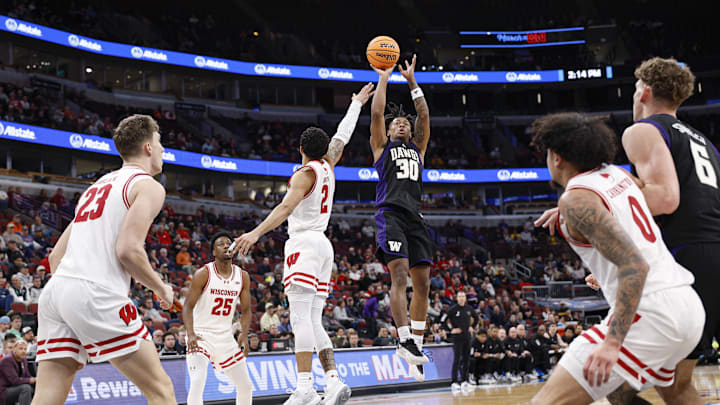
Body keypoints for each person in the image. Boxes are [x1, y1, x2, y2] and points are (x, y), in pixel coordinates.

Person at [529, 113, 704, 405]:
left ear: (557, 158)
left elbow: (634, 264)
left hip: (651, 314)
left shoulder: (575, 200)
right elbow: (627, 219)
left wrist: (612, 343)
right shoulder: (617, 174)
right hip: (687, 305)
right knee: (619, 396)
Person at [233, 83, 373, 405]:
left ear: (300, 148)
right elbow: (342, 137)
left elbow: (284, 209)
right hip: (324, 245)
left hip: (304, 244)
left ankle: (305, 386)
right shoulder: (329, 164)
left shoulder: (304, 174)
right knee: (312, 320)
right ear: (323, 150)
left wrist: (255, 233)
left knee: (299, 320)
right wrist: (355, 105)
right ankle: (334, 381)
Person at [32, 114, 176, 405]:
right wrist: (161, 288)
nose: (162, 150)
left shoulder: (95, 187)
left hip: (56, 293)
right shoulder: (148, 185)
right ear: (148, 147)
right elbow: (128, 250)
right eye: (160, 142)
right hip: (95, 291)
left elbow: (55, 255)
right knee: (161, 390)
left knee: (47, 396)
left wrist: (73, 296)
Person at [370, 54, 433, 382]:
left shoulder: (418, 149)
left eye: (404, 124)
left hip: (415, 217)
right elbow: (378, 112)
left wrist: (411, 81)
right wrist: (384, 77)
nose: (402, 124)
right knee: (399, 278)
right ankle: (404, 338)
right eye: (398, 123)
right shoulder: (381, 148)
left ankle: (417, 347)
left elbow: (423, 113)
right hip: (390, 214)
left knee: (423, 283)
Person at [183, 233, 252, 405]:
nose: (227, 246)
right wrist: (191, 334)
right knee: (198, 381)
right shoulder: (204, 273)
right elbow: (187, 307)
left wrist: (244, 334)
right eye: (221, 244)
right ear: (214, 252)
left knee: (246, 386)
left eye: (229, 243)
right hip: (201, 335)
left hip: (225, 337)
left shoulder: (242, 276)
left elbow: (246, 310)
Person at [443, 291, 476, 389]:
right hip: (457, 338)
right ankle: (454, 381)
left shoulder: (469, 309)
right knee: (457, 359)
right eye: (459, 296)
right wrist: (451, 330)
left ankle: (465, 380)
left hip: (467, 337)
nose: (461, 298)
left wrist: (472, 327)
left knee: (466, 359)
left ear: (465, 298)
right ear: (456, 298)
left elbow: (477, 318)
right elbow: (442, 321)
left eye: (463, 296)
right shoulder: (453, 309)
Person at [0, 340, 34, 405]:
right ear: (14, 350)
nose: (23, 351)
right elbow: (14, 381)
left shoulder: (23, 359)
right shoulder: (7, 360)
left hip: (14, 388)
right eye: (20, 348)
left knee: (35, 387)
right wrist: (30, 380)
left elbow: (27, 375)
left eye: (25, 349)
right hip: (4, 391)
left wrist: (36, 379)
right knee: (26, 388)